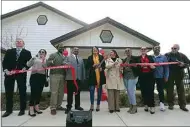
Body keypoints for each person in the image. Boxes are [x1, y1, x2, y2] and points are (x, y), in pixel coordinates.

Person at [2, 38, 32, 117]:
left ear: (23, 43)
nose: (18, 42)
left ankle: (22, 110)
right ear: (15, 43)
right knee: (8, 93)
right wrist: (6, 70)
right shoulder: (9, 51)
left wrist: (25, 68)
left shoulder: (27, 52)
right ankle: (8, 110)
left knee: (22, 92)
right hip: (9, 74)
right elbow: (4, 62)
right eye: (17, 41)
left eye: (20, 41)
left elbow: (30, 62)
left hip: (21, 75)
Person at [165, 44, 190, 112]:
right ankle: (170, 104)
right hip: (170, 74)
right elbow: (162, 62)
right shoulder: (167, 54)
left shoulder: (182, 55)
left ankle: (182, 105)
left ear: (178, 49)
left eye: (175, 48)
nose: (173, 49)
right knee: (169, 90)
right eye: (172, 48)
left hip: (179, 74)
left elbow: (188, 63)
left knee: (181, 90)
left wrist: (183, 64)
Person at [26, 49, 48, 117]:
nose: (41, 53)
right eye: (40, 52)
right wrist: (32, 59)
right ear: (38, 52)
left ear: (45, 54)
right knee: (33, 93)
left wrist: (43, 60)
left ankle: (36, 108)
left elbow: (46, 67)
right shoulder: (34, 58)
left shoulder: (45, 60)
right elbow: (28, 64)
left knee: (39, 93)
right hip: (34, 76)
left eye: (43, 52)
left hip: (42, 77)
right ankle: (31, 109)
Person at [46, 44, 66, 115]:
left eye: (62, 47)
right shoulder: (53, 55)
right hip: (54, 75)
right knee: (54, 92)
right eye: (60, 47)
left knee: (61, 92)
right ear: (57, 48)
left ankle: (58, 105)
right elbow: (47, 64)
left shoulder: (64, 56)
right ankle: (53, 108)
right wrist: (51, 62)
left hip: (62, 75)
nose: (61, 48)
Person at [64, 47, 85, 114]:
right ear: (72, 50)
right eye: (75, 49)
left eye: (77, 50)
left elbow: (83, 68)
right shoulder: (68, 57)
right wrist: (67, 64)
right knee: (70, 93)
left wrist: (83, 77)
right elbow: (63, 63)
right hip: (70, 78)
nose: (76, 50)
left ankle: (77, 106)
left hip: (78, 78)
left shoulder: (81, 58)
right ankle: (69, 107)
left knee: (78, 93)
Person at [86, 46, 106, 112]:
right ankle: (92, 105)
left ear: (98, 50)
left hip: (99, 76)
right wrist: (92, 66)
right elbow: (87, 66)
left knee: (99, 92)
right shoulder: (89, 57)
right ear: (92, 50)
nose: (95, 50)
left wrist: (101, 68)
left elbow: (104, 66)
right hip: (92, 76)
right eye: (93, 49)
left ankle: (98, 105)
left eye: (96, 49)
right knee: (91, 91)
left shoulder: (101, 57)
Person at [137, 47, 156, 114]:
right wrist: (140, 66)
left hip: (150, 76)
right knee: (144, 91)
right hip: (142, 77)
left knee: (150, 91)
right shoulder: (138, 58)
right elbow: (136, 67)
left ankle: (152, 106)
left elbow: (154, 66)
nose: (143, 50)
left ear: (147, 50)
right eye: (142, 49)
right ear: (140, 51)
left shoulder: (150, 57)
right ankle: (146, 105)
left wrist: (152, 67)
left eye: (144, 49)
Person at [152, 46, 169, 111]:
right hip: (151, 76)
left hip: (160, 76)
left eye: (158, 48)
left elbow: (166, 67)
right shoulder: (151, 57)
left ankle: (162, 104)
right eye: (155, 48)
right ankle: (151, 104)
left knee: (160, 90)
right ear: (153, 49)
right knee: (151, 90)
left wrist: (166, 76)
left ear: (160, 49)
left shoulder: (163, 57)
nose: (157, 49)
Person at [122, 48, 139, 114]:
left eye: (128, 51)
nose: (127, 52)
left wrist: (135, 66)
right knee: (128, 91)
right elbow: (123, 67)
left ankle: (134, 106)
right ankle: (131, 106)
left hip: (133, 76)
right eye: (126, 51)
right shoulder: (124, 59)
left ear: (131, 51)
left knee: (130, 90)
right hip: (125, 76)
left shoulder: (135, 58)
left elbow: (138, 66)